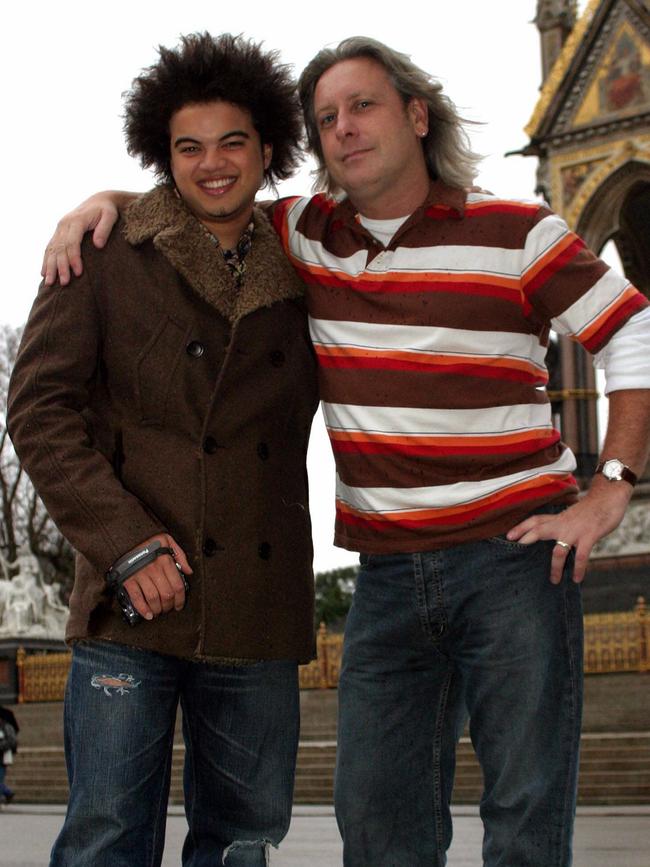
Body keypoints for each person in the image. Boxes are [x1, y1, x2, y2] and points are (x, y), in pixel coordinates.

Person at [39, 36, 650, 867]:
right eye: (326, 117)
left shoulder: (515, 230)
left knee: (524, 821)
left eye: (362, 106)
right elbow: (198, 206)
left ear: (416, 113)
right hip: (388, 577)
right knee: (377, 827)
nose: (345, 128)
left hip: (511, 558)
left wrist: (611, 484)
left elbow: (634, 330)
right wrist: (98, 204)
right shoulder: (306, 235)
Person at [8, 33, 318, 867]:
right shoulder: (103, 252)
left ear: (269, 149)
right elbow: (37, 410)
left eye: (232, 142)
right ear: (162, 153)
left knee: (241, 845)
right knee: (107, 838)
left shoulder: (307, 258)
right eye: (189, 146)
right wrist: (125, 543)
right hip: (129, 607)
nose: (212, 164)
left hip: (258, 607)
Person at [0, 705, 19, 805]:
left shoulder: (7, 727)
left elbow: (12, 741)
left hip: (2, 759)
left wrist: (1, 746)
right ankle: (7, 793)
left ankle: (8, 792)